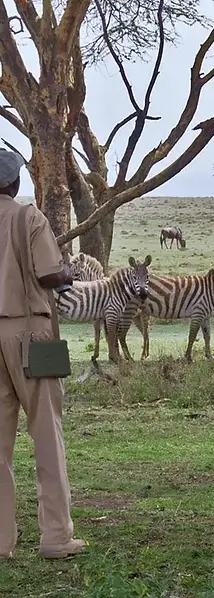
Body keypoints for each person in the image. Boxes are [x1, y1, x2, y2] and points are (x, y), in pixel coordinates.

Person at [0, 148, 87, 559]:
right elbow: (51, 273)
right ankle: (55, 537)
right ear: (15, 183)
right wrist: (68, 272)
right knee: (46, 434)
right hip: (32, 332)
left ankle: (1, 540)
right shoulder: (27, 216)